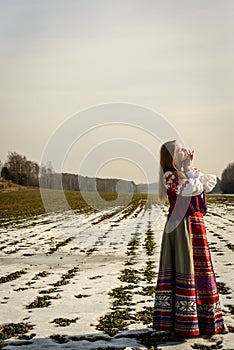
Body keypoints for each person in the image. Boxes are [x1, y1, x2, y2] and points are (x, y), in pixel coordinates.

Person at [153, 140, 227, 337]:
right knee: (185, 266)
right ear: (172, 156)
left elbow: (207, 183)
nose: (185, 151)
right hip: (180, 227)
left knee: (200, 269)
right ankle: (183, 322)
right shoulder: (170, 176)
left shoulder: (188, 171)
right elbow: (192, 188)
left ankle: (204, 321)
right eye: (180, 149)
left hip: (195, 224)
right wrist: (188, 169)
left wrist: (189, 168)